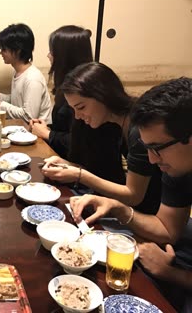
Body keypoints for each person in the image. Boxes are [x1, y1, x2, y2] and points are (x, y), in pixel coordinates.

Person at [69, 77, 192, 311]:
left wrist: (173, 274)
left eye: (156, 148)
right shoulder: (177, 167)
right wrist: (118, 208)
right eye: (147, 149)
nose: (152, 160)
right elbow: (167, 229)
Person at [41, 62, 162, 215]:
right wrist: (68, 165)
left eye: (81, 107)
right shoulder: (112, 123)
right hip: (132, 208)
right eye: (74, 109)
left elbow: (134, 196)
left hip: (147, 215)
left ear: (102, 96)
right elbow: (106, 175)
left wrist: (80, 175)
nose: (77, 116)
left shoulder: (138, 128)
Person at [29, 25, 93, 157]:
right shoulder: (66, 84)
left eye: (52, 51)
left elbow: (84, 142)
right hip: (61, 158)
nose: (48, 55)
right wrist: (46, 128)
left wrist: (47, 134)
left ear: (64, 56)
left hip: (79, 167)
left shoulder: (83, 90)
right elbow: (65, 129)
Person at [0, 23, 52, 123]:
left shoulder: (33, 78)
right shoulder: (18, 72)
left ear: (18, 50)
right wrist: (0, 96)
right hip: (21, 130)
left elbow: (29, 116)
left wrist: (1, 105)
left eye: (4, 49)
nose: (1, 53)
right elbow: (19, 100)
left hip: (37, 134)